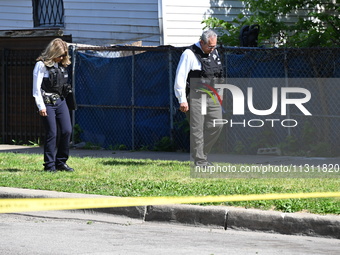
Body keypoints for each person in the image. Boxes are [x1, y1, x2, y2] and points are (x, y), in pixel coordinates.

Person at [174, 30, 224, 166]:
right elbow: (180, 78)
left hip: (212, 95)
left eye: (214, 46)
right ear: (201, 42)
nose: (213, 49)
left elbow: (217, 75)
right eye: (210, 46)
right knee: (197, 129)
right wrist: (182, 99)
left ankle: (200, 153)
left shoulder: (214, 52)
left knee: (217, 124)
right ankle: (200, 161)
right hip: (196, 96)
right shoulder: (189, 54)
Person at [33, 38, 74, 173]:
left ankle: (61, 162)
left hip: (61, 101)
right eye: (60, 55)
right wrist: (41, 106)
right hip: (47, 102)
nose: (62, 57)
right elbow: (36, 89)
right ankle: (49, 166)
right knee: (52, 133)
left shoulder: (62, 64)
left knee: (67, 130)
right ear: (53, 52)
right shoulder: (41, 65)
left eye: (64, 55)